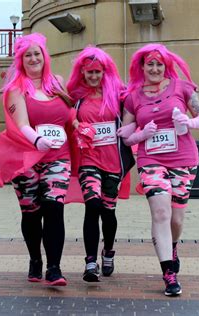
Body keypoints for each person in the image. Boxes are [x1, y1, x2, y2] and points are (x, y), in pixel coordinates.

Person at [118, 43, 199, 296]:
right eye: (150, 64)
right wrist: (140, 133)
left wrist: (188, 122)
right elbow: (126, 136)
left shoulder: (181, 87)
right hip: (151, 161)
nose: (155, 68)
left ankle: (174, 245)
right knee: (160, 213)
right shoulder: (133, 96)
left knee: (176, 219)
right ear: (142, 66)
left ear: (166, 66)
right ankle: (168, 272)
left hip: (184, 159)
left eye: (159, 64)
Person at [0, 33, 75, 286]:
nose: (33, 58)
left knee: (54, 207)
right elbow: (22, 124)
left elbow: (69, 112)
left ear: (44, 55)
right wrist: (38, 141)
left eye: (36, 53)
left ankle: (54, 268)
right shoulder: (16, 88)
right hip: (26, 157)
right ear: (21, 60)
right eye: (27, 55)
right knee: (31, 212)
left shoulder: (57, 82)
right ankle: (35, 259)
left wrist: (79, 125)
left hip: (58, 157)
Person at [66, 46, 133, 282]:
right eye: (89, 72)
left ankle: (109, 251)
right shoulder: (77, 97)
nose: (94, 76)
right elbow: (63, 109)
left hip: (113, 162)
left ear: (105, 72)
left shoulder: (117, 95)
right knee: (92, 205)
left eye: (98, 72)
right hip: (88, 160)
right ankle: (90, 262)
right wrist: (76, 127)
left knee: (108, 211)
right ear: (82, 73)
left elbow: (137, 103)